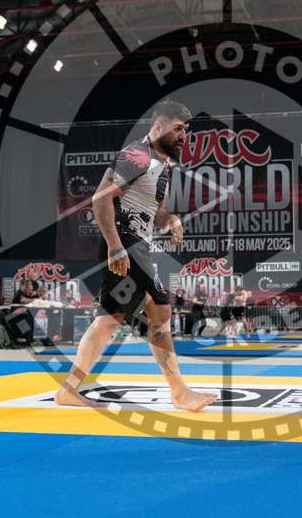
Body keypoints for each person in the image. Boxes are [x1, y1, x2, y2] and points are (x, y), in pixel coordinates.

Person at [55, 100, 217, 412]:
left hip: (134, 244)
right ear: (158, 127)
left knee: (106, 322)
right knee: (160, 311)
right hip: (124, 244)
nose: (184, 135)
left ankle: (68, 389)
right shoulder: (137, 154)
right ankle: (179, 391)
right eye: (178, 128)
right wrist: (115, 246)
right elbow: (101, 197)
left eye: (187, 130)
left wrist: (171, 220)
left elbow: (155, 213)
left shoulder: (165, 164)